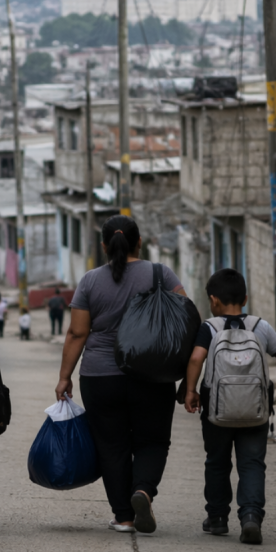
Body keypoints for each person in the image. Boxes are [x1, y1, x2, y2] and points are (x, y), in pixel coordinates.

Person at [54, 215, 186, 535]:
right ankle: (143, 490)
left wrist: (64, 376)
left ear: (104, 247)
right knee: (152, 440)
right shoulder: (161, 274)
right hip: (152, 375)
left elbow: (76, 333)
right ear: (139, 242)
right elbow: (184, 318)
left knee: (111, 446)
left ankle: (124, 517)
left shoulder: (89, 281)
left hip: (100, 376)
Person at [183, 268, 276, 545]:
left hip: (216, 410)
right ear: (245, 298)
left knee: (216, 462)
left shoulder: (209, 328)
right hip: (255, 411)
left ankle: (217, 518)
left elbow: (196, 360)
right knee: (252, 464)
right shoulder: (260, 326)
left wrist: (191, 391)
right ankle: (250, 516)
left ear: (213, 301)